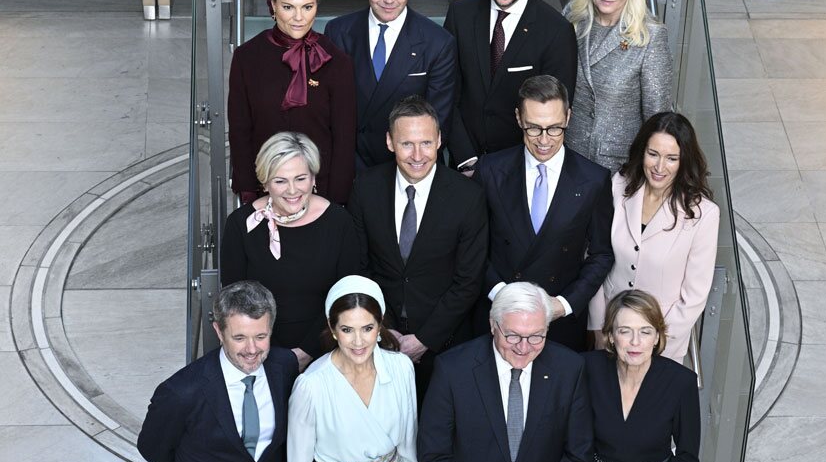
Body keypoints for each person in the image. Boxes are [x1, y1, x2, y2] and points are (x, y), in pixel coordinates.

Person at [347, 95, 488, 401]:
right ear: (389, 142)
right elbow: (359, 268)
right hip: (377, 341)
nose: (417, 155)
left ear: (439, 140)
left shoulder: (468, 197)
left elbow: (469, 280)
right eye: (406, 144)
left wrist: (424, 339)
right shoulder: (365, 188)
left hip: (447, 345)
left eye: (425, 143)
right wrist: (385, 330)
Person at [418, 281, 592, 462]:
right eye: (512, 336)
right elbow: (434, 456)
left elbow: (578, 457)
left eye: (536, 337)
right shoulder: (452, 370)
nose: (523, 348)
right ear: (493, 325)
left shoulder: (569, 369)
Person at [138, 281, 299, 462]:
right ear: (218, 331)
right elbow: (152, 447)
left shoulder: (284, 366)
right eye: (239, 337)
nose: (252, 349)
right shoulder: (181, 391)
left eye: (261, 336)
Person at [474, 75, 613, 351]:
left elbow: (601, 254)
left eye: (555, 129)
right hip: (497, 316)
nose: (544, 140)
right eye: (533, 129)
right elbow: (472, 247)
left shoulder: (594, 179)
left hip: (560, 324)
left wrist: (563, 304)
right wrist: (502, 294)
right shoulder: (490, 171)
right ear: (518, 118)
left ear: (569, 117)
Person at [284, 275, 424, 462]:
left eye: (367, 328)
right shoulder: (311, 386)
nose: (358, 342)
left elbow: (407, 442)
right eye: (347, 330)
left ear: (380, 325)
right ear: (333, 328)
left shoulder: (401, 368)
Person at [221, 132, 360, 372]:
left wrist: (306, 352)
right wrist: (264, 353)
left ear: (313, 178)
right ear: (264, 182)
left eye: (300, 178)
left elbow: (346, 297)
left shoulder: (339, 222)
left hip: (328, 351)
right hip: (259, 355)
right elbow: (236, 302)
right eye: (280, 181)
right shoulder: (241, 224)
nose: (292, 190)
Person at [589, 112, 719, 363]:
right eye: (653, 154)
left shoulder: (705, 215)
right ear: (642, 152)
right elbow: (595, 258)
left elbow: (694, 296)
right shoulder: (618, 186)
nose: (660, 167)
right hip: (610, 336)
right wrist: (598, 327)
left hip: (662, 347)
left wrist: (655, 344)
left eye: (672, 158)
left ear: (684, 161)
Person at [444, 0, 578, 170]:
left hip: (520, 171)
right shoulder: (460, 14)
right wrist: (465, 159)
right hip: (463, 166)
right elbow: (447, 93)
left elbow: (554, 114)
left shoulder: (556, 30)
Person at [229, 0, 357, 204]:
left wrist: (336, 201)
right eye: (288, 7)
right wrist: (247, 191)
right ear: (273, 5)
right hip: (264, 188)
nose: (299, 18)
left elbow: (344, 139)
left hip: (320, 191)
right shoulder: (247, 58)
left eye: (307, 7)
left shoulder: (337, 62)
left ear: (317, 4)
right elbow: (240, 129)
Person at [324, 0, 456, 169]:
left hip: (409, 169)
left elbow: (437, 121)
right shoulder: (338, 32)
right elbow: (330, 109)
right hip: (350, 167)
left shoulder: (438, 42)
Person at [576, 290, 700, 462]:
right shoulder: (586, 369)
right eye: (625, 331)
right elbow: (569, 442)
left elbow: (687, 456)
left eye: (645, 332)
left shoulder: (681, 382)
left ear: (656, 337)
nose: (635, 342)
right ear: (611, 336)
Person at [563, 0, 672, 172]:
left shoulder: (650, 36)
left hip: (618, 169)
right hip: (568, 157)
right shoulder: (573, 18)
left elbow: (658, 118)